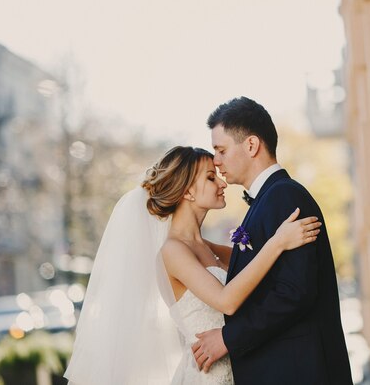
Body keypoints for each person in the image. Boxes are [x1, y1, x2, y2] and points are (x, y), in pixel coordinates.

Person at [64, 146, 321, 385]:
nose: (222, 183)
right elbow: (226, 300)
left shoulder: (208, 247)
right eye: (211, 178)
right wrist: (277, 243)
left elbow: (261, 273)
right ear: (187, 191)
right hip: (209, 377)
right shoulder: (172, 251)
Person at [193, 97, 353, 384]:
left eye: (221, 150)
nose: (216, 162)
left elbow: (295, 292)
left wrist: (229, 338)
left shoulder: (284, 197)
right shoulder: (267, 201)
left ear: (251, 145)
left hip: (298, 371)